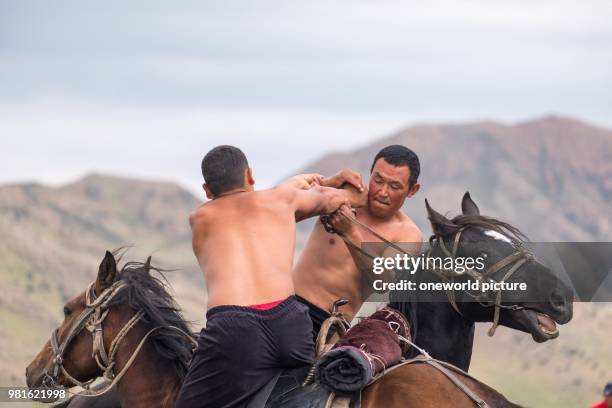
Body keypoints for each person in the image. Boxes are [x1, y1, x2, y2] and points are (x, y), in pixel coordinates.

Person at [175, 145, 366, 408]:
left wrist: (308, 185)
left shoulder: (200, 217)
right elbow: (335, 199)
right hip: (290, 326)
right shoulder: (281, 201)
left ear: (207, 190)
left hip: (234, 330)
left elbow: (261, 200)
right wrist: (334, 187)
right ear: (250, 176)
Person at [293, 145, 423, 339]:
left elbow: (382, 282)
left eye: (394, 186)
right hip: (289, 305)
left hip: (331, 327)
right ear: (370, 174)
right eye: (378, 180)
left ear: (412, 190)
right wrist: (329, 183)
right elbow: (281, 211)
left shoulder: (408, 234)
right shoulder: (344, 196)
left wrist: (350, 232)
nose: (382, 192)